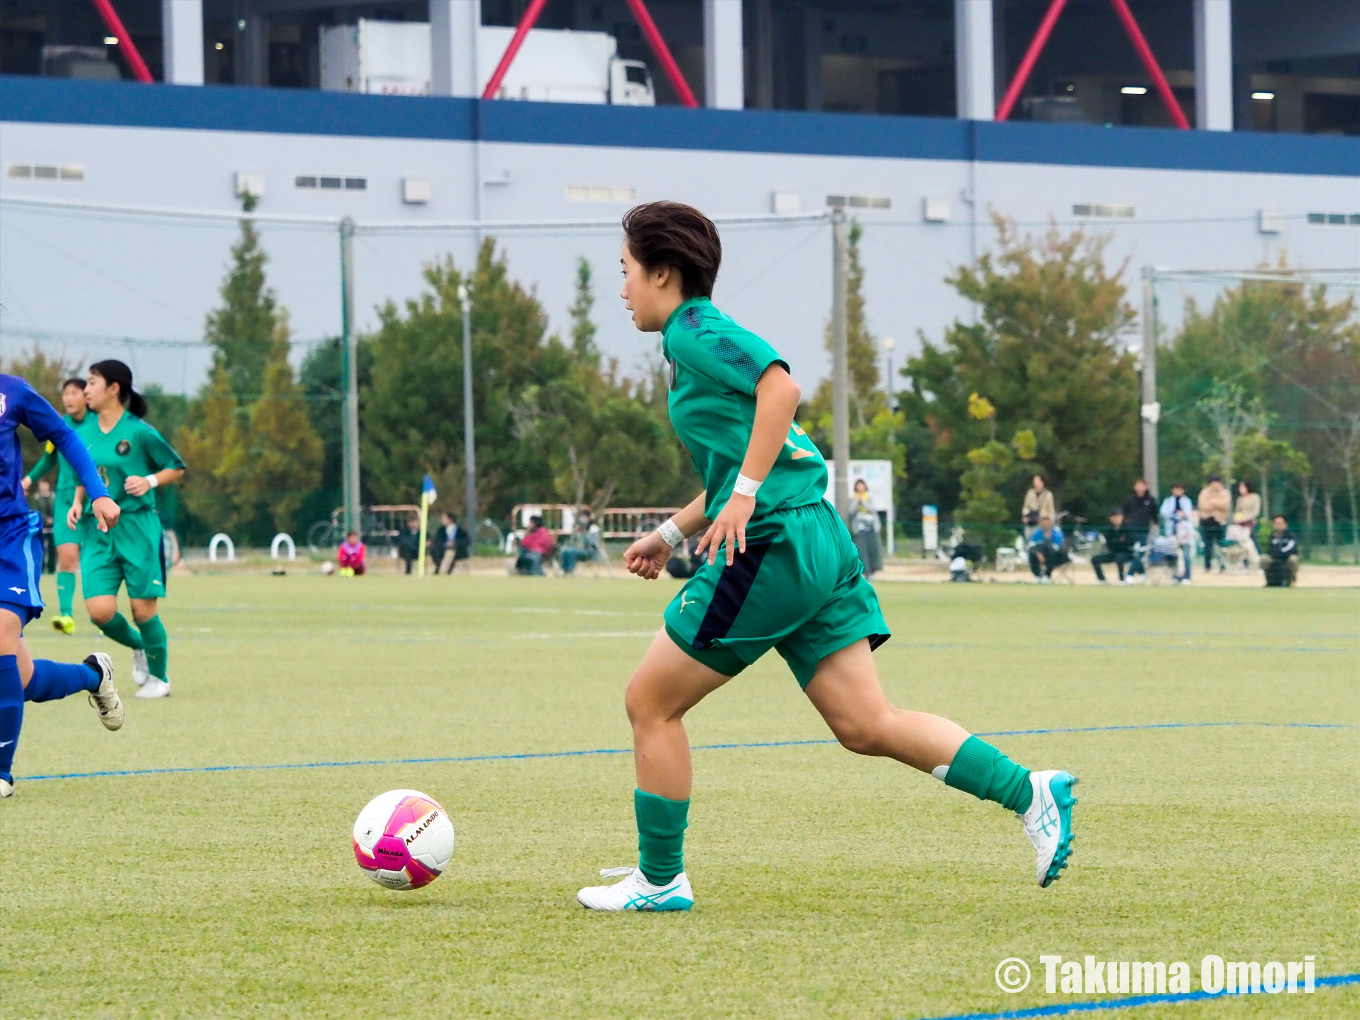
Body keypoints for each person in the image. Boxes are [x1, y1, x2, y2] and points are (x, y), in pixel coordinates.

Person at [575, 201, 1077, 913]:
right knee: (866, 724)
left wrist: (744, 497)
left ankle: (660, 880)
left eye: (625, 272)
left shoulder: (694, 331)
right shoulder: (688, 346)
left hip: (774, 542)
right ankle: (1029, 790)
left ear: (664, 272)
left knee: (649, 702)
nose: (621, 289)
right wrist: (672, 533)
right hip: (814, 532)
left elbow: (781, 387)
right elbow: (744, 460)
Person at [1, 372, 126, 800]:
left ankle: (1, 774)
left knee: (1, 629)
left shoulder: (12, 391)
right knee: (22, 679)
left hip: (9, 539)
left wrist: (97, 492)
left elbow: (66, 438)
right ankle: (95, 675)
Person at [70, 361, 185, 700]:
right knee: (99, 611)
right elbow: (84, 473)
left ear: (114, 388)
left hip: (136, 526)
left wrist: (149, 480)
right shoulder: (83, 433)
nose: (85, 390)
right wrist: (78, 502)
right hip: (97, 530)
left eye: (92, 383)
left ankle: (160, 679)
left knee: (142, 610)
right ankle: (139, 646)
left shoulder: (139, 431)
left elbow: (176, 467)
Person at [21, 378, 91, 634]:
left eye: (75, 393)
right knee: (67, 556)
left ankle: (106, 612)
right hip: (64, 497)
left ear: (87, 396)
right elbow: (49, 457)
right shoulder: (59, 425)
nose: (69, 398)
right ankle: (66, 615)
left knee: (102, 559)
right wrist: (29, 478)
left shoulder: (100, 425)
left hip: (96, 497)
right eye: (66, 394)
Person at [1090, 508, 1140, 583]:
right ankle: (1101, 579)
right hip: (1113, 553)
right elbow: (1109, 544)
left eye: (1119, 516)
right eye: (1115, 517)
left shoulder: (1127, 528)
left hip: (1126, 553)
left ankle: (1122, 579)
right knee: (1095, 559)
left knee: (1119, 558)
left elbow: (1131, 543)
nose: (1117, 519)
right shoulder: (1109, 530)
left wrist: (1120, 544)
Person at [1159, 482, 1195, 584]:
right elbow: (1164, 512)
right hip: (1172, 530)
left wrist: (1182, 515)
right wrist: (1174, 514)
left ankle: (1187, 576)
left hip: (1184, 531)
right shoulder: (1168, 501)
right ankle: (1174, 576)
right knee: (1172, 554)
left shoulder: (1186, 501)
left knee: (1186, 555)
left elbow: (1189, 514)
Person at [849, 479, 883, 577]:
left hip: (872, 527)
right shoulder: (853, 499)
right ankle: (865, 571)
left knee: (873, 549)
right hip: (860, 528)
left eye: (861, 485)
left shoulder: (869, 498)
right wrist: (857, 502)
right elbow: (851, 511)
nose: (860, 487)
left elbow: (873, 509)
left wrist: (863, 502)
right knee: (862, 550)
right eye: (858, 486)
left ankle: (873, 570)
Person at [1196, 474, 1230, 572]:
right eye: (1213, 482)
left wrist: (1213, 503)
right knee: (1208, 545)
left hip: (1220, 522)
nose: (1215, 485)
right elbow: (1203, 506)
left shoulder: (1225, 493)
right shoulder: (1204, 493)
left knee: (1221, 544)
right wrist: (1216, 505)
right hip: (1206, 521)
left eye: (1217, 482)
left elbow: (1225, 506)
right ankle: (1207, 566)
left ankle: (1222, 565)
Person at [560, 508, 604, 575]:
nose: (582, 518)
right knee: (564, 550)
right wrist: (575, 533)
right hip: (577, 549)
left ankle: (570, 571)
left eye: (584, 516)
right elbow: (572, 541)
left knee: (571, 552)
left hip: (589, 552)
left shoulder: (594, 529)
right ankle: (565, 570)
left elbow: (594, 544)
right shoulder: (579, 528)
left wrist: (584, 534)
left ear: (589, 518)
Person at [1231, 480, 1262, 571]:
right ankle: (1245, 565)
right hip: (1240, 524)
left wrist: (1245, 518)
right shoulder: (1240, 499)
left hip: (1250, 523)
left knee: (1253, 543)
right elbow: (1238, 511)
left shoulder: (1255, 497)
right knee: (1242, 545)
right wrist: (1236, 517)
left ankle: (1259, 564)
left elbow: (1255, 512)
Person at [1027, 516, 1068, 582]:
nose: (1045, 524)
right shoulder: (1037, 533)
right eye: (1043, 522)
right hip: (1040, 554)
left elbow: (1057, 547)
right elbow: (1031, 545)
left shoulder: (1057, 533)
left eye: (1046, 522)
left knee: (1052, 553)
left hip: (1056, 556)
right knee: (1031, 553)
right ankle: (1038, 575)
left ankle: (1047, 575)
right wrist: (1038, 554)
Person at [1262, 515, 1299, 587]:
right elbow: (1270, 549)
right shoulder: (1272, 536)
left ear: (1285, 524)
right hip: (1275, 557)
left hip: (1287, 558)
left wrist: (1279, 553)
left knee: (1293, 559)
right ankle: (1269, 580)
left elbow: (1290, 549)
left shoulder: (1291, 536)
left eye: (1280, 523)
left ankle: (1291, 580)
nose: (1278, 525)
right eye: (1276, 523)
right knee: (1264, 559)